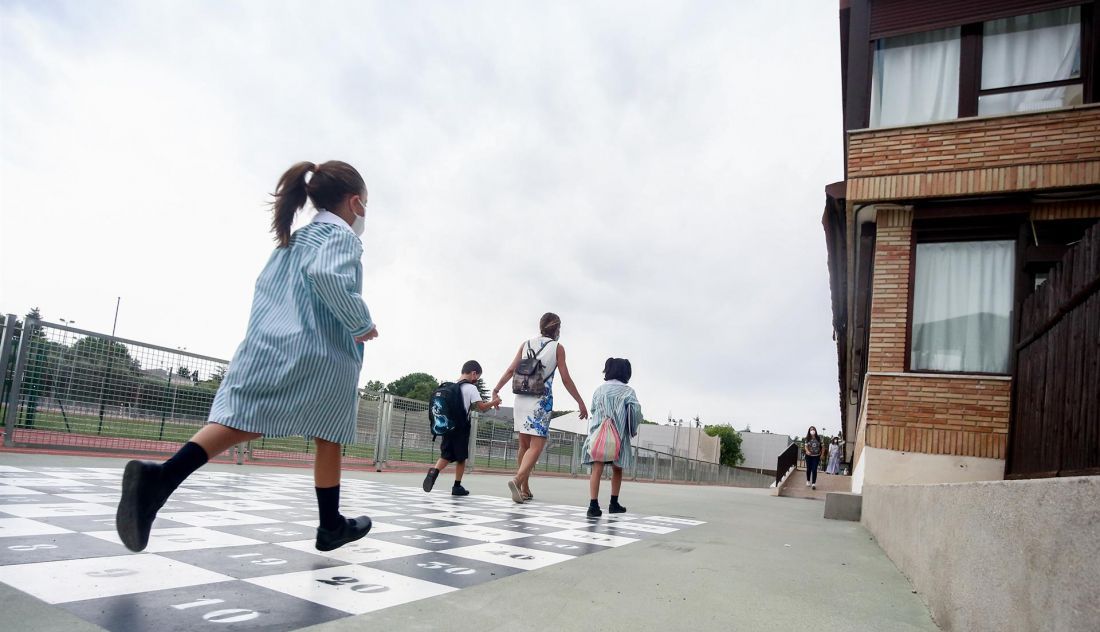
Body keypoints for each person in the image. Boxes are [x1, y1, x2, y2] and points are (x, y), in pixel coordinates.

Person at [116, 160, 378, 554]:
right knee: (329, 430)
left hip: (270, 342)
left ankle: (164, 479)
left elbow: (266, 290)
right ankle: (328, 525)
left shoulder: (293, 240)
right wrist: (361, 323)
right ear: (355, 202)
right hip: (321, 350)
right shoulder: (339, 237)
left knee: (246, 419)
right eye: (365, 205)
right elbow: (328, 277)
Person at [491, 312, 588, 504]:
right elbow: (566, 379)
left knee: (524, 446)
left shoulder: (525, 344)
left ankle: (525, 489)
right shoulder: (557, 348)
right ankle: (518, 480)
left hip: (521, 398)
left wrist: (496, 389)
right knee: (537, 446)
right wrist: (580, 402)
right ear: (557, 329)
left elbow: (511, 370)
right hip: (540, 400)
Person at [423, 361, 501, 496]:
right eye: (477, 377)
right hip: (461, 427)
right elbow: (481, 408)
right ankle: (457, 486)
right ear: (473, 373)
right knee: (461, 457)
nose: (476, 380)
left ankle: (434, 472)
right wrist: (495, 402)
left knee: (446, 454)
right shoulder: (470, 388)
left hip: (448, 425)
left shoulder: (451, 386)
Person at [583, 358, 641, 518]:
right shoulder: (628, 392)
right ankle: (614, 503)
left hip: (599, 435)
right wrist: (632, 428)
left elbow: (594, 410)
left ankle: (593, 505)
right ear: (626, 372)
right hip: (619, 436)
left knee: (597, 469)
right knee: (617, 468)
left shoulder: (599, 390)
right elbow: (635, 412)